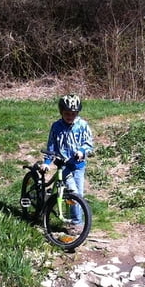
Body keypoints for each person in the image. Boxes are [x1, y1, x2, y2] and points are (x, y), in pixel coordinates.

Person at [39, 94, 93, 234]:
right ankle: (76, 222)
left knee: (78, 194)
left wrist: (81, 151)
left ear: (78, 113)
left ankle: (76, 220)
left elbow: (88, 143)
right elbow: (51, 146)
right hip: (63, 166)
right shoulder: (56, 126)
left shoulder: (82, 125)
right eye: (67, 113)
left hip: (78, 165)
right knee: (72, 192)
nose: (70, 116)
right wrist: (47, 162)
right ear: (61, 112)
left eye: (73, 114)